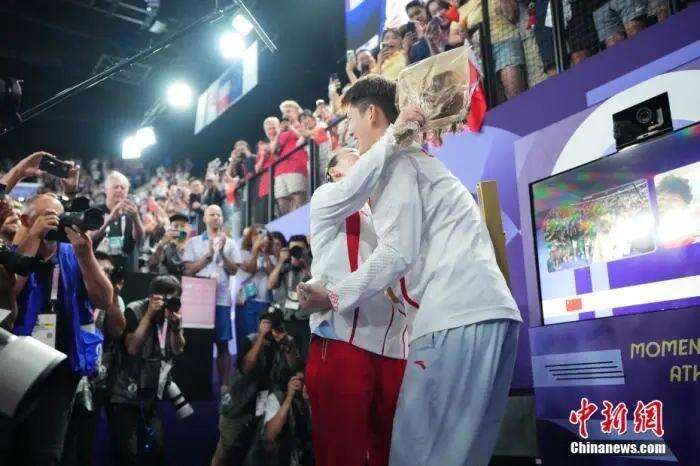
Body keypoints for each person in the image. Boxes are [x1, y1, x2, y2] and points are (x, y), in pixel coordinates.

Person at [298, 75, 522, 466]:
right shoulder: (416, 167)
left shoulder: (395, 165)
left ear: (371, 114)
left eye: (351, 121)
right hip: (490, 315)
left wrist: (333, 296)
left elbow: (397, 252)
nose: (350, 133)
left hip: (449, 318)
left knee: (413, 457)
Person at [0, 190, 112, 466]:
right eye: (48, 216)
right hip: (15, 365)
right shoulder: (12, 251)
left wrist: (86, 255)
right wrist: (34, 237)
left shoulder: (73, 253)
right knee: (8, 447)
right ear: (26, 220)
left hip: (60, 367)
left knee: (46, 454)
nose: (57, 223)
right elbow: (8, 294)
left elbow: (104, 300)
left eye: (60, 217)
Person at [109, 275, 186, 466]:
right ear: (153, 296)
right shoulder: (135, 309)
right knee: (128, 455)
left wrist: (176, 328)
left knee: (156, 451)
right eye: (168, 299)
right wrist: (149, 315)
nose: (172, 304)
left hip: (151, 393)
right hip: (126, 393)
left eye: (176, 299)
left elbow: (178, 349)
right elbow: (132, 348)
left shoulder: (171, 314)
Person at [60, 251, 126, 466]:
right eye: (101, 270)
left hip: (95, 380)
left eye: (108, 272)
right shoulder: (71, 290)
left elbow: (117, 331)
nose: (104, 275)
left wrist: (111, 296)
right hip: (66, 374)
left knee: (84, 444)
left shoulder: (114, 299)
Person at [212, 312, 300, 466]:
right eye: (267, 324)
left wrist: (286, 346)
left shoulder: (287, 341)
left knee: (260, 451)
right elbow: (246, 368)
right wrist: (261, 337)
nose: (271, 330)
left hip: (266, 404)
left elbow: (295, 367)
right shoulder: (251, 339)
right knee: (226, 449)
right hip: (239, 402)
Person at [183, 205, 240, 391]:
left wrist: (221, 253)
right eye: (212, 214)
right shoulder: (193, 243)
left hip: (221, 300)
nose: (216, 217)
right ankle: (197, 386)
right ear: (205, 218)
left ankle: (224, 386)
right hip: (199, 301)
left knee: (223, 343)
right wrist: (208, 255)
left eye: (219, 215)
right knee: (197, 343)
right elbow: (188, 270)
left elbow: (234, 271)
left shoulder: (230, 243)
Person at [450, 0, 527, 99]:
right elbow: (451, 38)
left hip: (505, 40)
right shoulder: (461, 10)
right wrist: (462, 37)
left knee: (514, 89)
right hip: (481, 52)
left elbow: (512, 15)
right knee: (494, 97)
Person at [268, 234, 313, 360]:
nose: (296, 252)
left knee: (306, 356)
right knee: (285, 357)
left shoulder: (312, 265)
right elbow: (270, 285)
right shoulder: (284, 267)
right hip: (285, 318)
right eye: (293, 249)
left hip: (305, 320)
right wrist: (281, 260)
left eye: (300, 249)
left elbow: (317, 283)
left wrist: (305, 264)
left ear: (307, 250)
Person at [92, 170, 145, 272]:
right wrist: (109, 219)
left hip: (124, 270)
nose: (120, 190)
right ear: (106, 190)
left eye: (123, 187)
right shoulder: (95, 211)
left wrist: (136, 217)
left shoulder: (132, 213)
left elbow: (139, 238)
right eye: (116, 187)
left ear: (127, 191)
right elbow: (90, 237)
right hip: (97, 269)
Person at [235, 225, 273, 350]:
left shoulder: (270, 255)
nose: (259, 237)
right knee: (248, 340)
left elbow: (272, 275)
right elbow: (251, 269)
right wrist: (255, 249)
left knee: (264, 341)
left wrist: (265, 252)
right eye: (256, 234)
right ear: (249, 237)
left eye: (262, 234)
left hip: (265, 302)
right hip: (246, 301)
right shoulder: (242, 253)